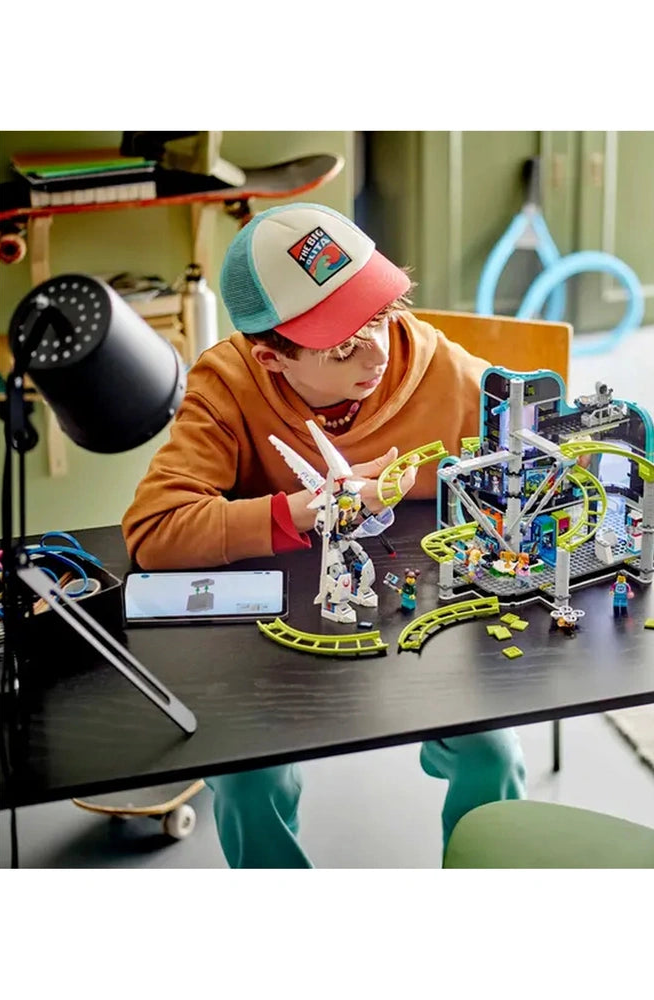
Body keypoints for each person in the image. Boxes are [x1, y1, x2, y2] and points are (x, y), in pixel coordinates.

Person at [121, 203, 526, 867]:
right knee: (250, 779)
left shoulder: (430, 361)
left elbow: (534, 448)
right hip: (267, 651)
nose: (377, 351)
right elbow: (155, 531)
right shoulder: (226, 384)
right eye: (341, 345)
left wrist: (395, 481)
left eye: (381, 315)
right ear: (270, 358)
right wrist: (305, 509)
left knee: (495, 754)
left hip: (425, 627)